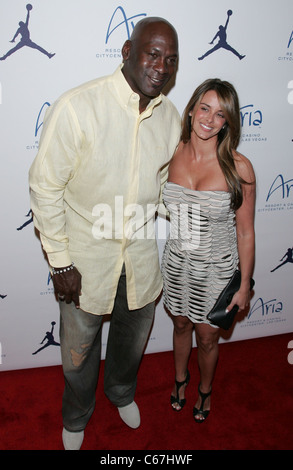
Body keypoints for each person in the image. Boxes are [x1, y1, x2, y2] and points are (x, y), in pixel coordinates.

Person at [29, 17, 180, 449]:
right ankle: (76, 417)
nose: (161, 67)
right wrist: (60, 263)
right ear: (127, 51)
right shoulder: (78, 106)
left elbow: (164, 189)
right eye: (153, 54)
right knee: (78, 357)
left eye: (171, 60)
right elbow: (45, 187)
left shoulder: (169, 118)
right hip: (84, 264)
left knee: (131, 346)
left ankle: (121, 393)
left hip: (141, 262)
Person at [161, 79, 255, 422]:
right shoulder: (171, 151)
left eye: (220, 114)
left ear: (228, 121)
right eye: (205, 108)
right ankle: (180, 381)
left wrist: (244, 285)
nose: (210, 119)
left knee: (207, 338)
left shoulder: (238, 167)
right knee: (181, 325)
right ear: (191, 109)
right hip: (176, 264)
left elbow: (245, 231)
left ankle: (205, 391)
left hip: (216, 271)